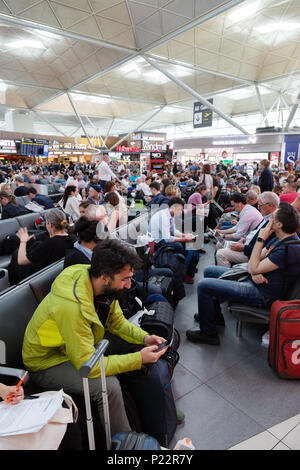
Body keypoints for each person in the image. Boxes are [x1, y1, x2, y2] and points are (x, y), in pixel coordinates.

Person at [22, 239, 169, 437]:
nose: (129, 285)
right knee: (109, 388)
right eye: (124, 279)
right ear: (105, 277)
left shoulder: (101, 286)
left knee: (131, 346)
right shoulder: (70, 307)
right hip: (46, 362)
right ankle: (124, 444)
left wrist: (145, 338)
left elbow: (118, 323)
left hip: (77, 344)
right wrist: (138, 359)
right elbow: (88, 366)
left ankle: (156, 411)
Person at [186, 202, 300, 346]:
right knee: (209, 271)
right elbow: (258, 259)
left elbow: (254, 265)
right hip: (255, 280)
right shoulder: (283, 239)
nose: (269, 220)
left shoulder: (288, 248)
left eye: (272, 219)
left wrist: (260, 239)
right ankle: (214, 317)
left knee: (204, 285)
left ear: (279, 225)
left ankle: (208, 333)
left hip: (263, 294)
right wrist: (255, 270)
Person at [8, 209, 76, 284]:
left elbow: (21, 261)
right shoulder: (73, 238)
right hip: (53, 272)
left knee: (16, 254)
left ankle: (12, 285)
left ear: (50, 224)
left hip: (39, 277)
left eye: (46, 223)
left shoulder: (50, 243)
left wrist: (23, 241)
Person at [216, 191, 280, 267]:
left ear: (270, 205)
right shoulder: (266, 217)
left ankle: (227, 276)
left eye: (260, 205)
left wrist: (243, 247)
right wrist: (244, 238)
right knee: (220, 244)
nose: (258, 208)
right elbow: (253, 232)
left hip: (249, 253)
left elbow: (263, 250)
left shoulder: (272, 223)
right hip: (246, 244)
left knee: (220, 253)